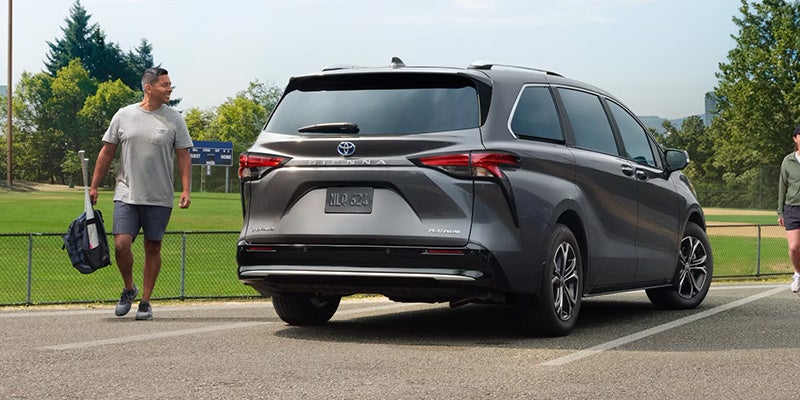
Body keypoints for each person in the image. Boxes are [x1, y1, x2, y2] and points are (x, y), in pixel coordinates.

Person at [89, 67, 193, 320]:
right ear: (149, 88)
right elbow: (107, 151)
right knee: (121, 245)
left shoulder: (175, 119)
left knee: (152, 246)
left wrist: (186, 189)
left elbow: (183, 155)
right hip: (126, 192)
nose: (169, 89)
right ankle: (129, 288)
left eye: (170, 85)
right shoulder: (124, 115)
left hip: (159, 196)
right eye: (164, 85)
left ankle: (145, 301)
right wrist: (93, 185)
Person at [778, 124, 800, 293]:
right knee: (794, 247)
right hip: (792, 208)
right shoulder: (788, 161)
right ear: (795, 138)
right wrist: (780, 211)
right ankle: (798, 274)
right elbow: (782, 186)